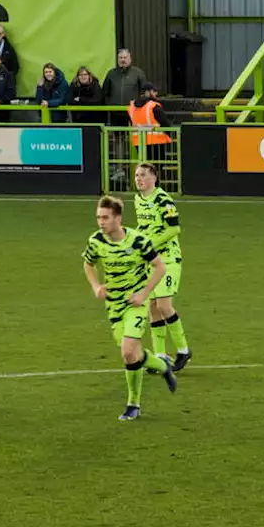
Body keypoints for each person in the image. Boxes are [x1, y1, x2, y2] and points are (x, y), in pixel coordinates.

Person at [82, 196, 178, 421]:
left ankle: (133, 404)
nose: (101, 222)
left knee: (127, 351)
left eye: (105, 218)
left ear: (118, 218)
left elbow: (160, 267)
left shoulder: (138, 241)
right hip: (113, 306)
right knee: (133, 355)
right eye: (98, 217)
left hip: (135, 303)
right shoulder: (96, 241)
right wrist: (96, 286)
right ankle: (162, 366)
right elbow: (88, 263)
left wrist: (143, 294)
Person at [133, 163, 192, 373]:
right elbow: (144, 225)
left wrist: (152, 244)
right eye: (137, 175)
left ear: (154, 178)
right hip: (152, 260)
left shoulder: (163, 199)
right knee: (152, 307)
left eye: (143, 175)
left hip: (169, 259)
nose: (139, 179)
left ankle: (183, 350)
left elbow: (174, 228)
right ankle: (159, 355)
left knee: (165, 306)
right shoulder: (139, 199)